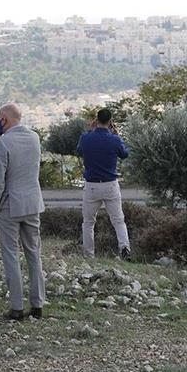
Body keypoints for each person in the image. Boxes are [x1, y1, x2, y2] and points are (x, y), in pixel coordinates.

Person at [0, 103, 46, 320]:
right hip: (32, 203)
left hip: (9, 205)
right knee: (34, 253)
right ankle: (37, 304)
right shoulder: (35, 138)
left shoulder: (3, 142)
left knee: (11, 254)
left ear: (4, 119)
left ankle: (16, 307)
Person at [76, 108, 131, 260]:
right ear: (110, 121)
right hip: (110, 185)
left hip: (92, 186)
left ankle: (89, 255)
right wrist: (117, 135)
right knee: (118, 220)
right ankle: (124, 248)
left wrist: (90, 130)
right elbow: (125, 154)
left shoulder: (85, 138)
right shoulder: (114, 139)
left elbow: (79, 151)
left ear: (96, 119)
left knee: (88, 222)